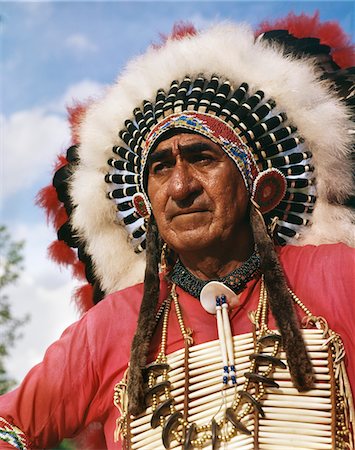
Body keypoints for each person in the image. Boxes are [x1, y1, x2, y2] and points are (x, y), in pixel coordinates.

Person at [0, 13, 354, 450]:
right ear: (144, 206)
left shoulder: (338, 276)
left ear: (261, 186)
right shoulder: (111, 328)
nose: (182, 187)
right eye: (161, 167)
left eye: (203, 157)